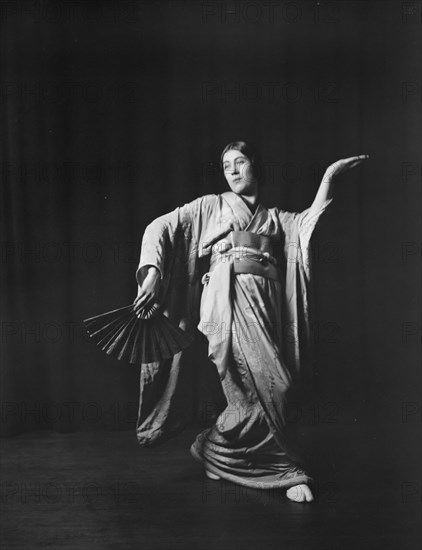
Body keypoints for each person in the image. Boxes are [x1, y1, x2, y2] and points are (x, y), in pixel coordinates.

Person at [133, 141, 368, 503]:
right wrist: (151, 274)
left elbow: (308, 224)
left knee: (270, 389)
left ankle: (217, 451)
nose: (232, 170)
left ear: (255, 166)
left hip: (267, 306)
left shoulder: (276, 217)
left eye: (240, 162)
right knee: (265, 388)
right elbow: (160, 228)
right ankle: (285, 472)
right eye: (226, 165)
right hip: (226, 302)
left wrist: (328, 178)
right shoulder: (211, 206)